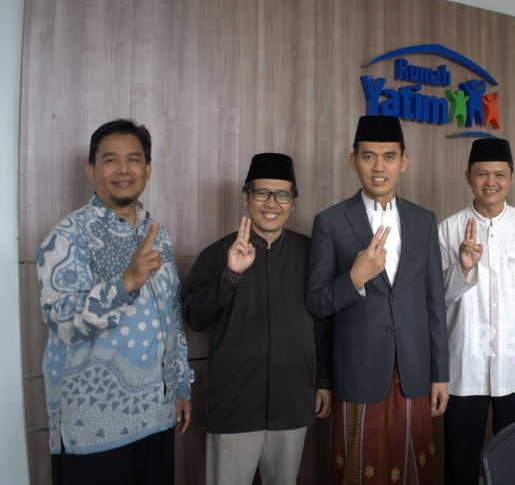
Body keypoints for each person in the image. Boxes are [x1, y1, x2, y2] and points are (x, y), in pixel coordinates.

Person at [37, 119, 194, 485]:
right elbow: (64, 322)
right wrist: (124, 284)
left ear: (148, 169)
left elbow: (172, 317)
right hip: (93, 428)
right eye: (110, 160)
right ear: (91, 169)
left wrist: (181, 387)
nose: (123, 169)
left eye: (133, 159)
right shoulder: (67, 237)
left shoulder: (157, 232)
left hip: (156, 416)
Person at [306, 115, 450, 485]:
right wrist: (354, 278)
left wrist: (441, 375)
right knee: (360, 461)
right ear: (352, 160)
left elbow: (434, 303)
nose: (379, 167)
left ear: (404, 161)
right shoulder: (331, 221)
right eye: (369, 156)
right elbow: (317, 303)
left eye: (389, 156)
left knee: (414, 460)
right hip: (357, 366)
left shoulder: (423, 220)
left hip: (413, 367)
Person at [182, 153, 332, 485]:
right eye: (262, 193)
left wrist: (323, 381)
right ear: (246, 196)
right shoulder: (218, 253)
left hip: (292, 400)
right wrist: (230, 275)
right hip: (236, 402)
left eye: (282, 194)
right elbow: (195, 317)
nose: (271, 203)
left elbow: (323, 323)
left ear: (292, 201)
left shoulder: (312, 254)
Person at [437, 138, 515, 485]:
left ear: (512, 177)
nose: (490, 182)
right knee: (460, 461)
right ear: (468, 177)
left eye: (499, 174)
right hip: (464, 365)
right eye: (482, 174)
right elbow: (436, 301)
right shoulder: (447, 230)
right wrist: (463, 269)